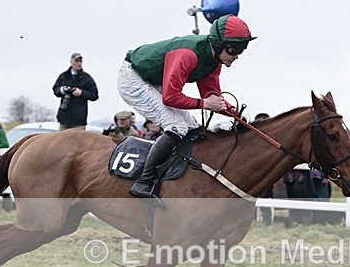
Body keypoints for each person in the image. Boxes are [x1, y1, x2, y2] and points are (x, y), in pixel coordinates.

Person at [118, 14, 256, 199]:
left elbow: (210, 95)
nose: (237, 55)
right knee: (177, 126)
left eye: (242, 49)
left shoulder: (214, 61)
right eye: (234, 49)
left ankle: (175, 176)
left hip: (155, 81)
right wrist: (205, 104)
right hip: (134, 78)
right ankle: (144, 180)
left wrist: (233, 112)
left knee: (193, 129)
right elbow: (171, 98)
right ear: (217, 44)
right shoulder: (187, 54)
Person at [52, 52, 99, 130]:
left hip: (79, 120)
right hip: (64, 118)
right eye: (76, 61)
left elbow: (94, 95)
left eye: (80, 61)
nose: (79, 63)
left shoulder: (87, 78)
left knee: (78, 142)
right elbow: (55, 89)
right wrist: (61, 90)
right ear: (71, 62)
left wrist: (81, 93)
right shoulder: (63, 76)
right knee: (62, 141)